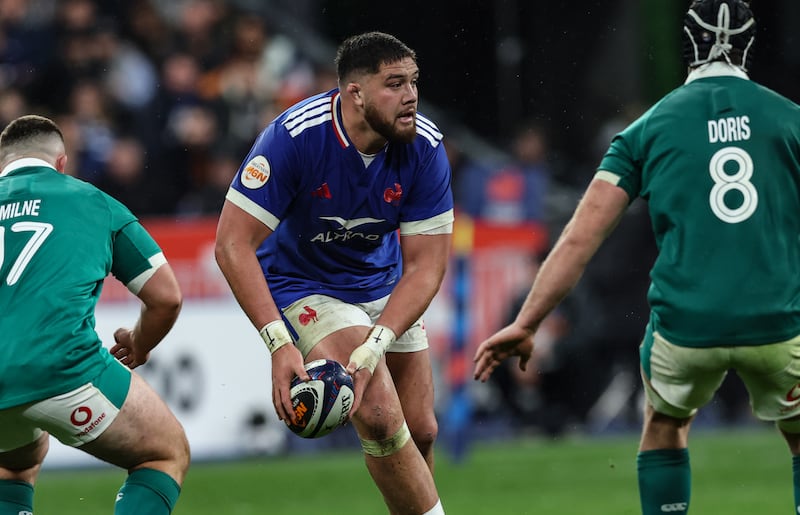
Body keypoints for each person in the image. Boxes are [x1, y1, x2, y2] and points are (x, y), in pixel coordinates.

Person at [473, 1, 800, 514]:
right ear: (749, 46)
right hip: (780, 322)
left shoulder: (649, 128)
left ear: (688, 47)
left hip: (687, 328)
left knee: (665, 424)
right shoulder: (790, 119)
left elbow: (579, 241)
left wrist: (527, 321)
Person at [215, 31, 452, 514]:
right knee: (381, 415)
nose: (410, 96)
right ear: (355, 93)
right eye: (394, 84)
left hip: (382, 284)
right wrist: (279, 343)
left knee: (421, 428)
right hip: (305, 285)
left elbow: (427, 266)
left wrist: (377, 342)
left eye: (413, 82)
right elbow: (232, 244)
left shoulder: (425, 147)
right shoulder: (294, 138)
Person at [0, 115, 189, 514]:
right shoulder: (93, 201)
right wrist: (140, 343)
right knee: (164, 454)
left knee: (13, 465)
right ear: (62, 162)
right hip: (62, 369)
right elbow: (166, 297)